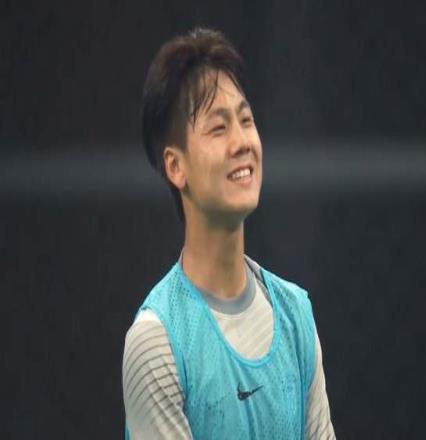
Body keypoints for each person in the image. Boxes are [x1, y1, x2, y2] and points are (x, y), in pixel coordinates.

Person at [122, 28, 335, 439]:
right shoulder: (156, 341)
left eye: (246, 120)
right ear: (175, 166)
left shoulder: (296, 315)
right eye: (218, 128)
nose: (242, 142)